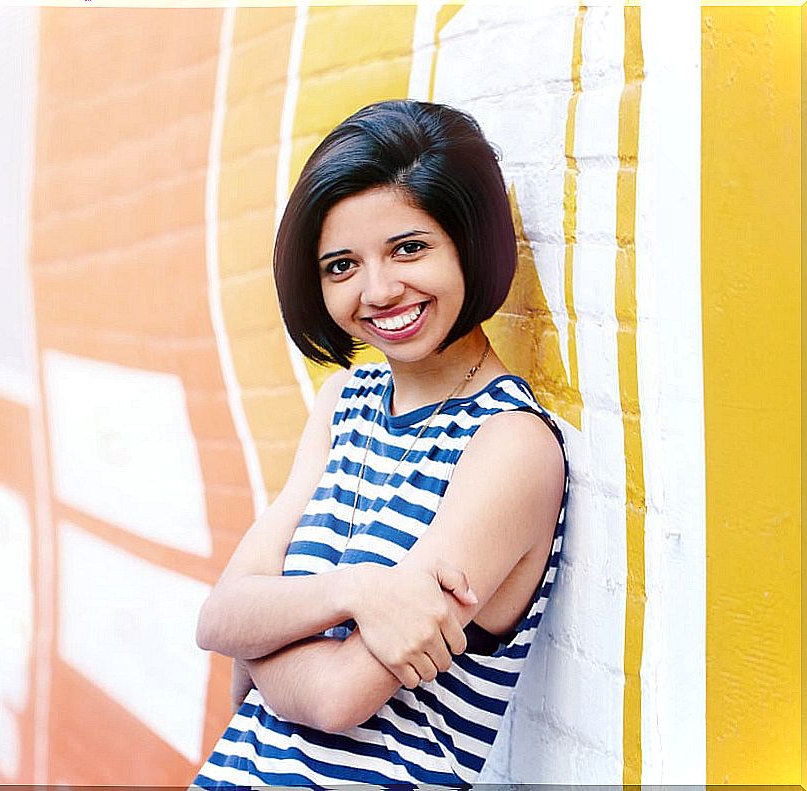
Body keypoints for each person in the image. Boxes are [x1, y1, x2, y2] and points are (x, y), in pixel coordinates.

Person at [192, 99, 569, 787]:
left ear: (468, 241)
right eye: (340, 265)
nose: (378, 290)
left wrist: (265, 632)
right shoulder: (345, 405)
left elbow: (338, 695)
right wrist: (357, 590)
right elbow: (218, 617)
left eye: (408, 248)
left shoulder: (508, 444)